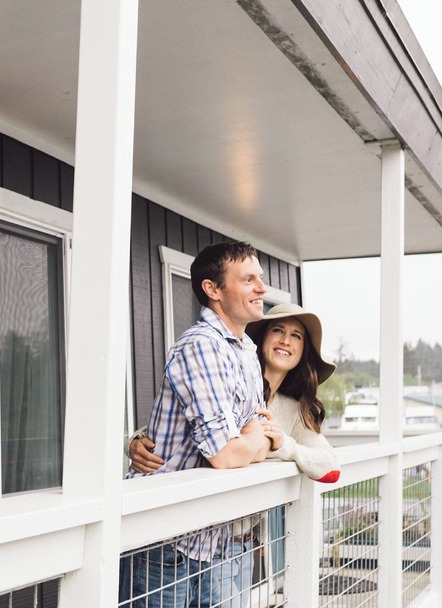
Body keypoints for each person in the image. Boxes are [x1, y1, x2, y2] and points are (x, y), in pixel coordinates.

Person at [126, 302, 340, 606]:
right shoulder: (231, 382)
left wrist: (284, 446)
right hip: (183, 538)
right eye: (277, 330)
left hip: (234, 546)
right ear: (262, 337)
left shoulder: (293, 411)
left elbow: (330, 466)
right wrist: (133, 441)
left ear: (303, 352)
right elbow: (183, 427)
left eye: (296, 336)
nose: (285, 340)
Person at [119, 241, 271, 608]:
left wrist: (255, 439)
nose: (261, 288)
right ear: (213, 289)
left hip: (213, 537)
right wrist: (255, 440)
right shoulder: (201, 346)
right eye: (248, 279)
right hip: (166, 541)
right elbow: (224, 452)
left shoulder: (246, 352)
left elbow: (264, 435)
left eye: (260, 279)